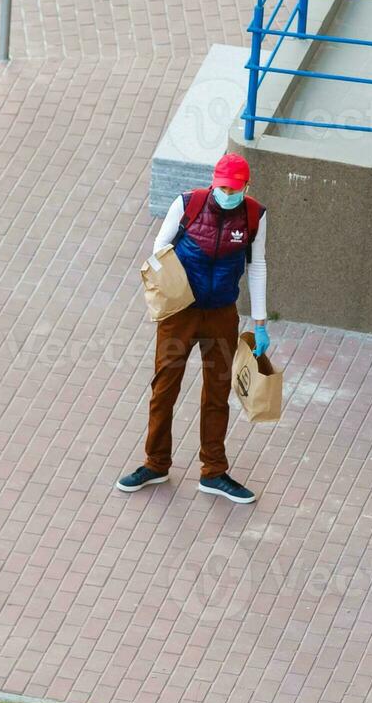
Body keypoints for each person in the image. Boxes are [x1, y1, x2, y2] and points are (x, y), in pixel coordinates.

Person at [116, 153, 270, 504]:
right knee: (164, 386)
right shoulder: (188, 204)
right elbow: (158, 248)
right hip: (180, 313)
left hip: (220, 315)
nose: (226, 193)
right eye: (221, 186)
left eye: (233, 188)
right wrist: (173, 287)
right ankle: (155, 464)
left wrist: (259, 323)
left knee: (217, 392)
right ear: (214, 182)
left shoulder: (255, 216)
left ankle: (213, 471)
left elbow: (257, 265)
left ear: (246, 187)